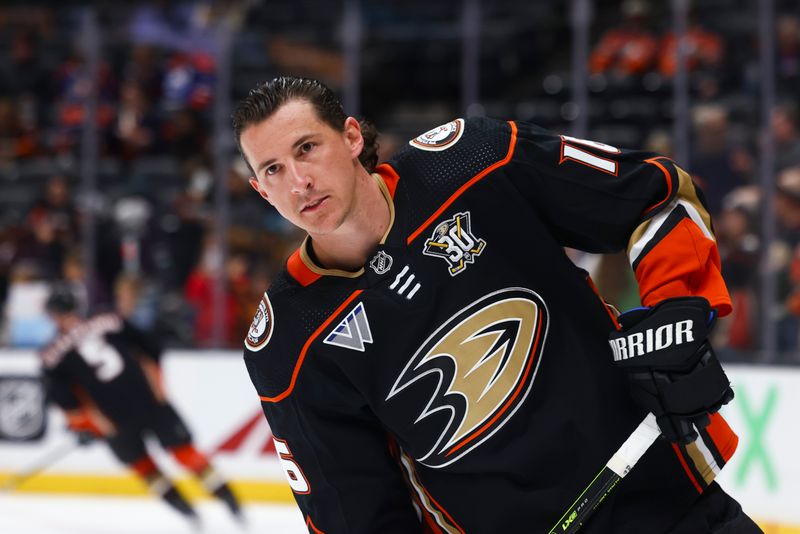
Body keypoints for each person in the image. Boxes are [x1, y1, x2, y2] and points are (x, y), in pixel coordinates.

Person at [234, 77, 760, 533]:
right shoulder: (288, 342)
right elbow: (356, 516)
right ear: (260, 191)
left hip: (674, 503)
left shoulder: (472, 163)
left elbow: (659, 194)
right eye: (274, 170)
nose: (298, 182)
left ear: (350, 137)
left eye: (307, 148)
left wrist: (675, 310)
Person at [39, 284, 243, 526]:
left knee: (147, 468)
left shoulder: (51, 356)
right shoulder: (109, 319)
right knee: (184, 453)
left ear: (52, 315)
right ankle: (229, 503)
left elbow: (69, 404)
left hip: (115, 419)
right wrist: (157, 387)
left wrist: (87, 428)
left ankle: (188, 513)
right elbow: (152, 348)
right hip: (148, 402)